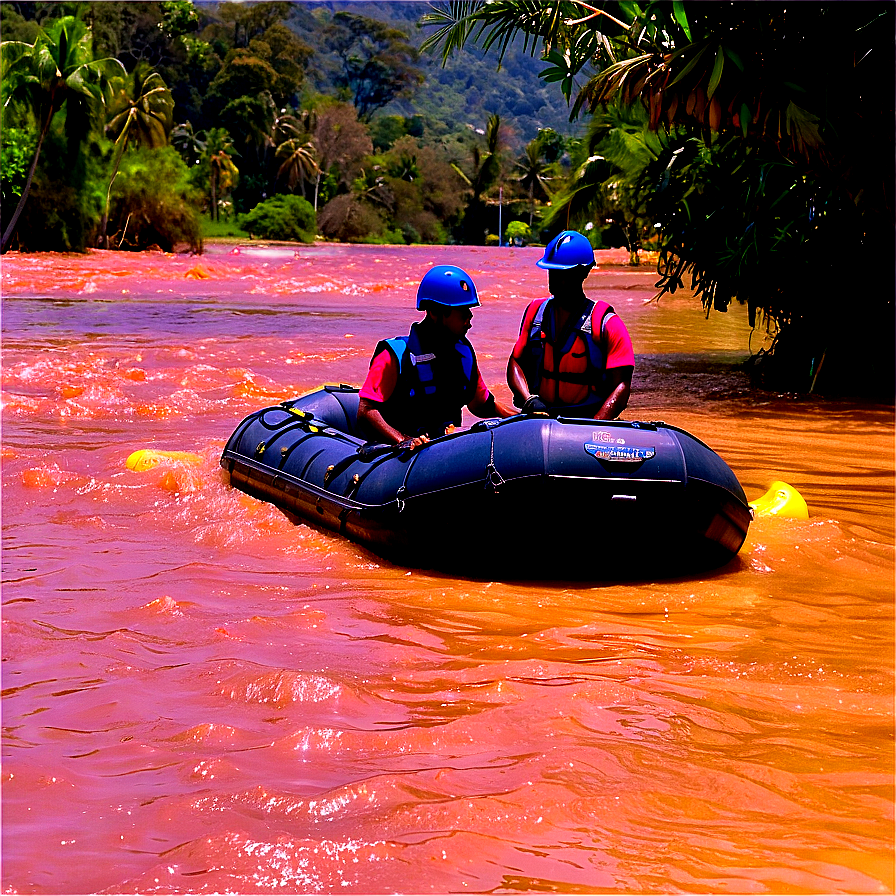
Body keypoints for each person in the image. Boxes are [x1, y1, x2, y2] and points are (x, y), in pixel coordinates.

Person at [358, 264, 515, 449]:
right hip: (398, 460)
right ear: (434, 312)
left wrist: (521, 419)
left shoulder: (463, 353)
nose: (470, 318)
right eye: (463, 311)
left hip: (444, 454)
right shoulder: (394, 356)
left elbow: (481, 405)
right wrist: (403, 441)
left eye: (470, 310)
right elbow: (366, 411)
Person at [507, 230, 634, 420]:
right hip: (541, 417)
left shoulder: (607, 324)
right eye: (552, 271)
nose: (555, 277)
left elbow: (621, 387)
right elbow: (515, 362)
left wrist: (594, 428)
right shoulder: (535, 314)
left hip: (587, 419)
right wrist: (529, 400)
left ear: (583, 273)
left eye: (563, 273)